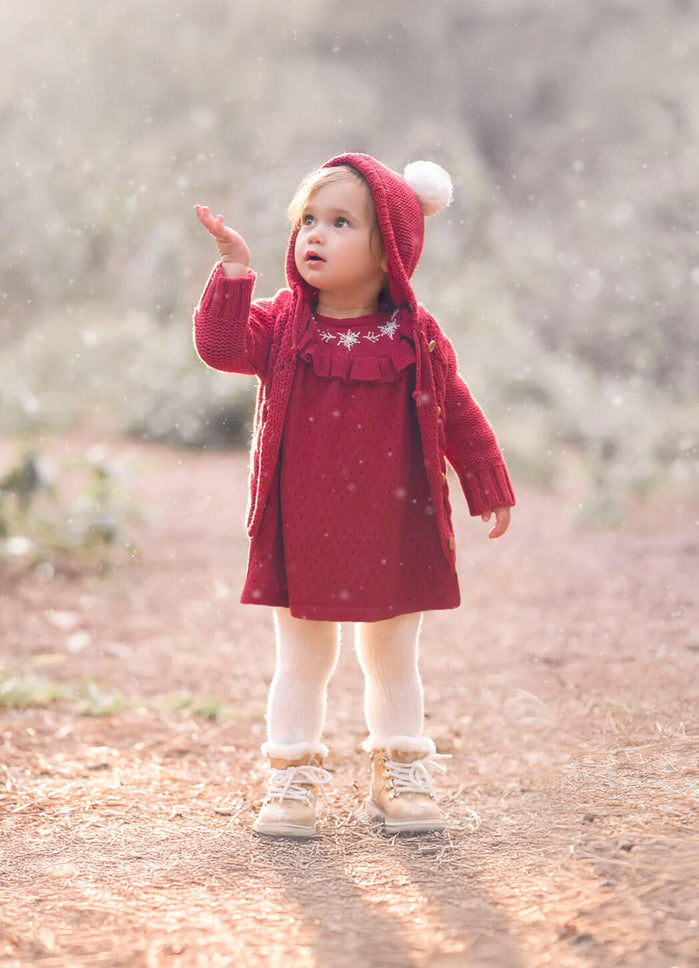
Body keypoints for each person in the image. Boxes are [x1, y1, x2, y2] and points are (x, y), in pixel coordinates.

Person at [193, 153, 515, 838]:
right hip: (301, 523)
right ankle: (291, 781)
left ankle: (400, 772)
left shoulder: (416, 335)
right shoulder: (282, 323)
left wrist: (486, 479)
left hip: (394, 520)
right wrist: (233, 272)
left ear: (389, 250)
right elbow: (221, 347)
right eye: (308, 218)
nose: (315, 233)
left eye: (341, 222)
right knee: (304, 657)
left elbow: (456, 409)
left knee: (392, 652)